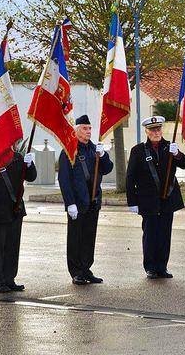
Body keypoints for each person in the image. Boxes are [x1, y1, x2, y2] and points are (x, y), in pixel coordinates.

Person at [126, 116, 185, 279]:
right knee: (150, 235)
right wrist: (132, 201)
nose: (156, 132)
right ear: (146, 131)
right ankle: (150, 267)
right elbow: (130, 177)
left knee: (164, 234)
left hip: (167, 199)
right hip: (148, 200)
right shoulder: (138, 150)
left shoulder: (170, 147)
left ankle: (162, 267)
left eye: (158, 129)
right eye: (152, 130)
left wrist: (177, 154)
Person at [58, 115, 113, 285]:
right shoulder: (69, 150)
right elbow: (64, 179)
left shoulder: (94, 149)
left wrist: (103, 155)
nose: (88, 132)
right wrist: (70, 203)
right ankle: (76, 272)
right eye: (84, 128)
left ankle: (86, 269)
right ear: (76, 130)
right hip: (78, 202)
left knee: (89, 237)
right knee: (76, 238)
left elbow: (107, 168)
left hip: (93, 201)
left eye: (89, 129)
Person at [0, 149, 37, 293]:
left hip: (15, 209)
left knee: (13, 246)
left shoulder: (17, 158)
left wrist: (30, 165)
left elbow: (30, 177)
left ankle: (9, 278)